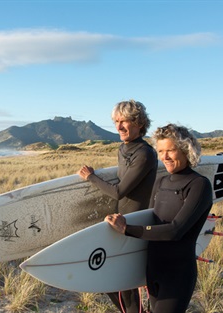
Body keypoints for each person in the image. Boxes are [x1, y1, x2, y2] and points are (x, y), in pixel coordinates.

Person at [105, 123, 213, 313]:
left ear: (185, 150)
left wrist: (127, 229)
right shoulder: (161, 182)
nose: (165, 157)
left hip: (177, 274)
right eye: (161, 151)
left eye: (170, 150)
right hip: (152, 269)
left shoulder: (198, 185)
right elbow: (150, 221)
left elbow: (175, 230)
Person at [78, 99, 158, 313]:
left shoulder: (144, 153)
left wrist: (91, 177)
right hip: (120, 219)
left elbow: (119, 191)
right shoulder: (124, 148)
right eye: (116, 121)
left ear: (139, 123)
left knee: (124, 282)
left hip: (134, 222)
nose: (119, 127)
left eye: (124, 121)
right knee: (110, 278)